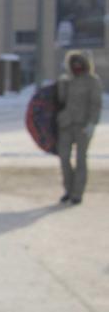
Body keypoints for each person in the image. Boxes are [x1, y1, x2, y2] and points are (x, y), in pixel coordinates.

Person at [56, 50, 102, 205]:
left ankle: (77, 193)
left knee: (81, 159)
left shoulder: (92, 81)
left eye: (79, 63)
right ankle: (68, 190)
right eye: (73, 63)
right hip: (66, 124)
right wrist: (62, 85)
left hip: (83, 125)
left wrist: (92, 123)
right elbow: (60, 102)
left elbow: (96, 104)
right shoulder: (67, 80)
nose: (76, 66)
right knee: (64, 157)